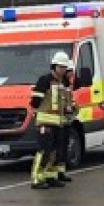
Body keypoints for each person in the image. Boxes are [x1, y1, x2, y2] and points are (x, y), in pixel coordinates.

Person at [28, 52, 72, 189]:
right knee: (44, 151)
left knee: (54, 152)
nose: (63, 70)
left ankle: (50, 176)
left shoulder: (63, 83)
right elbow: (35, 102)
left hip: (58, 123)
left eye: (64, 67)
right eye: (60, 67)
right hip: (45, 122)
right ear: (54, 66)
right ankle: (36, 178)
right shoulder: (44, 80)